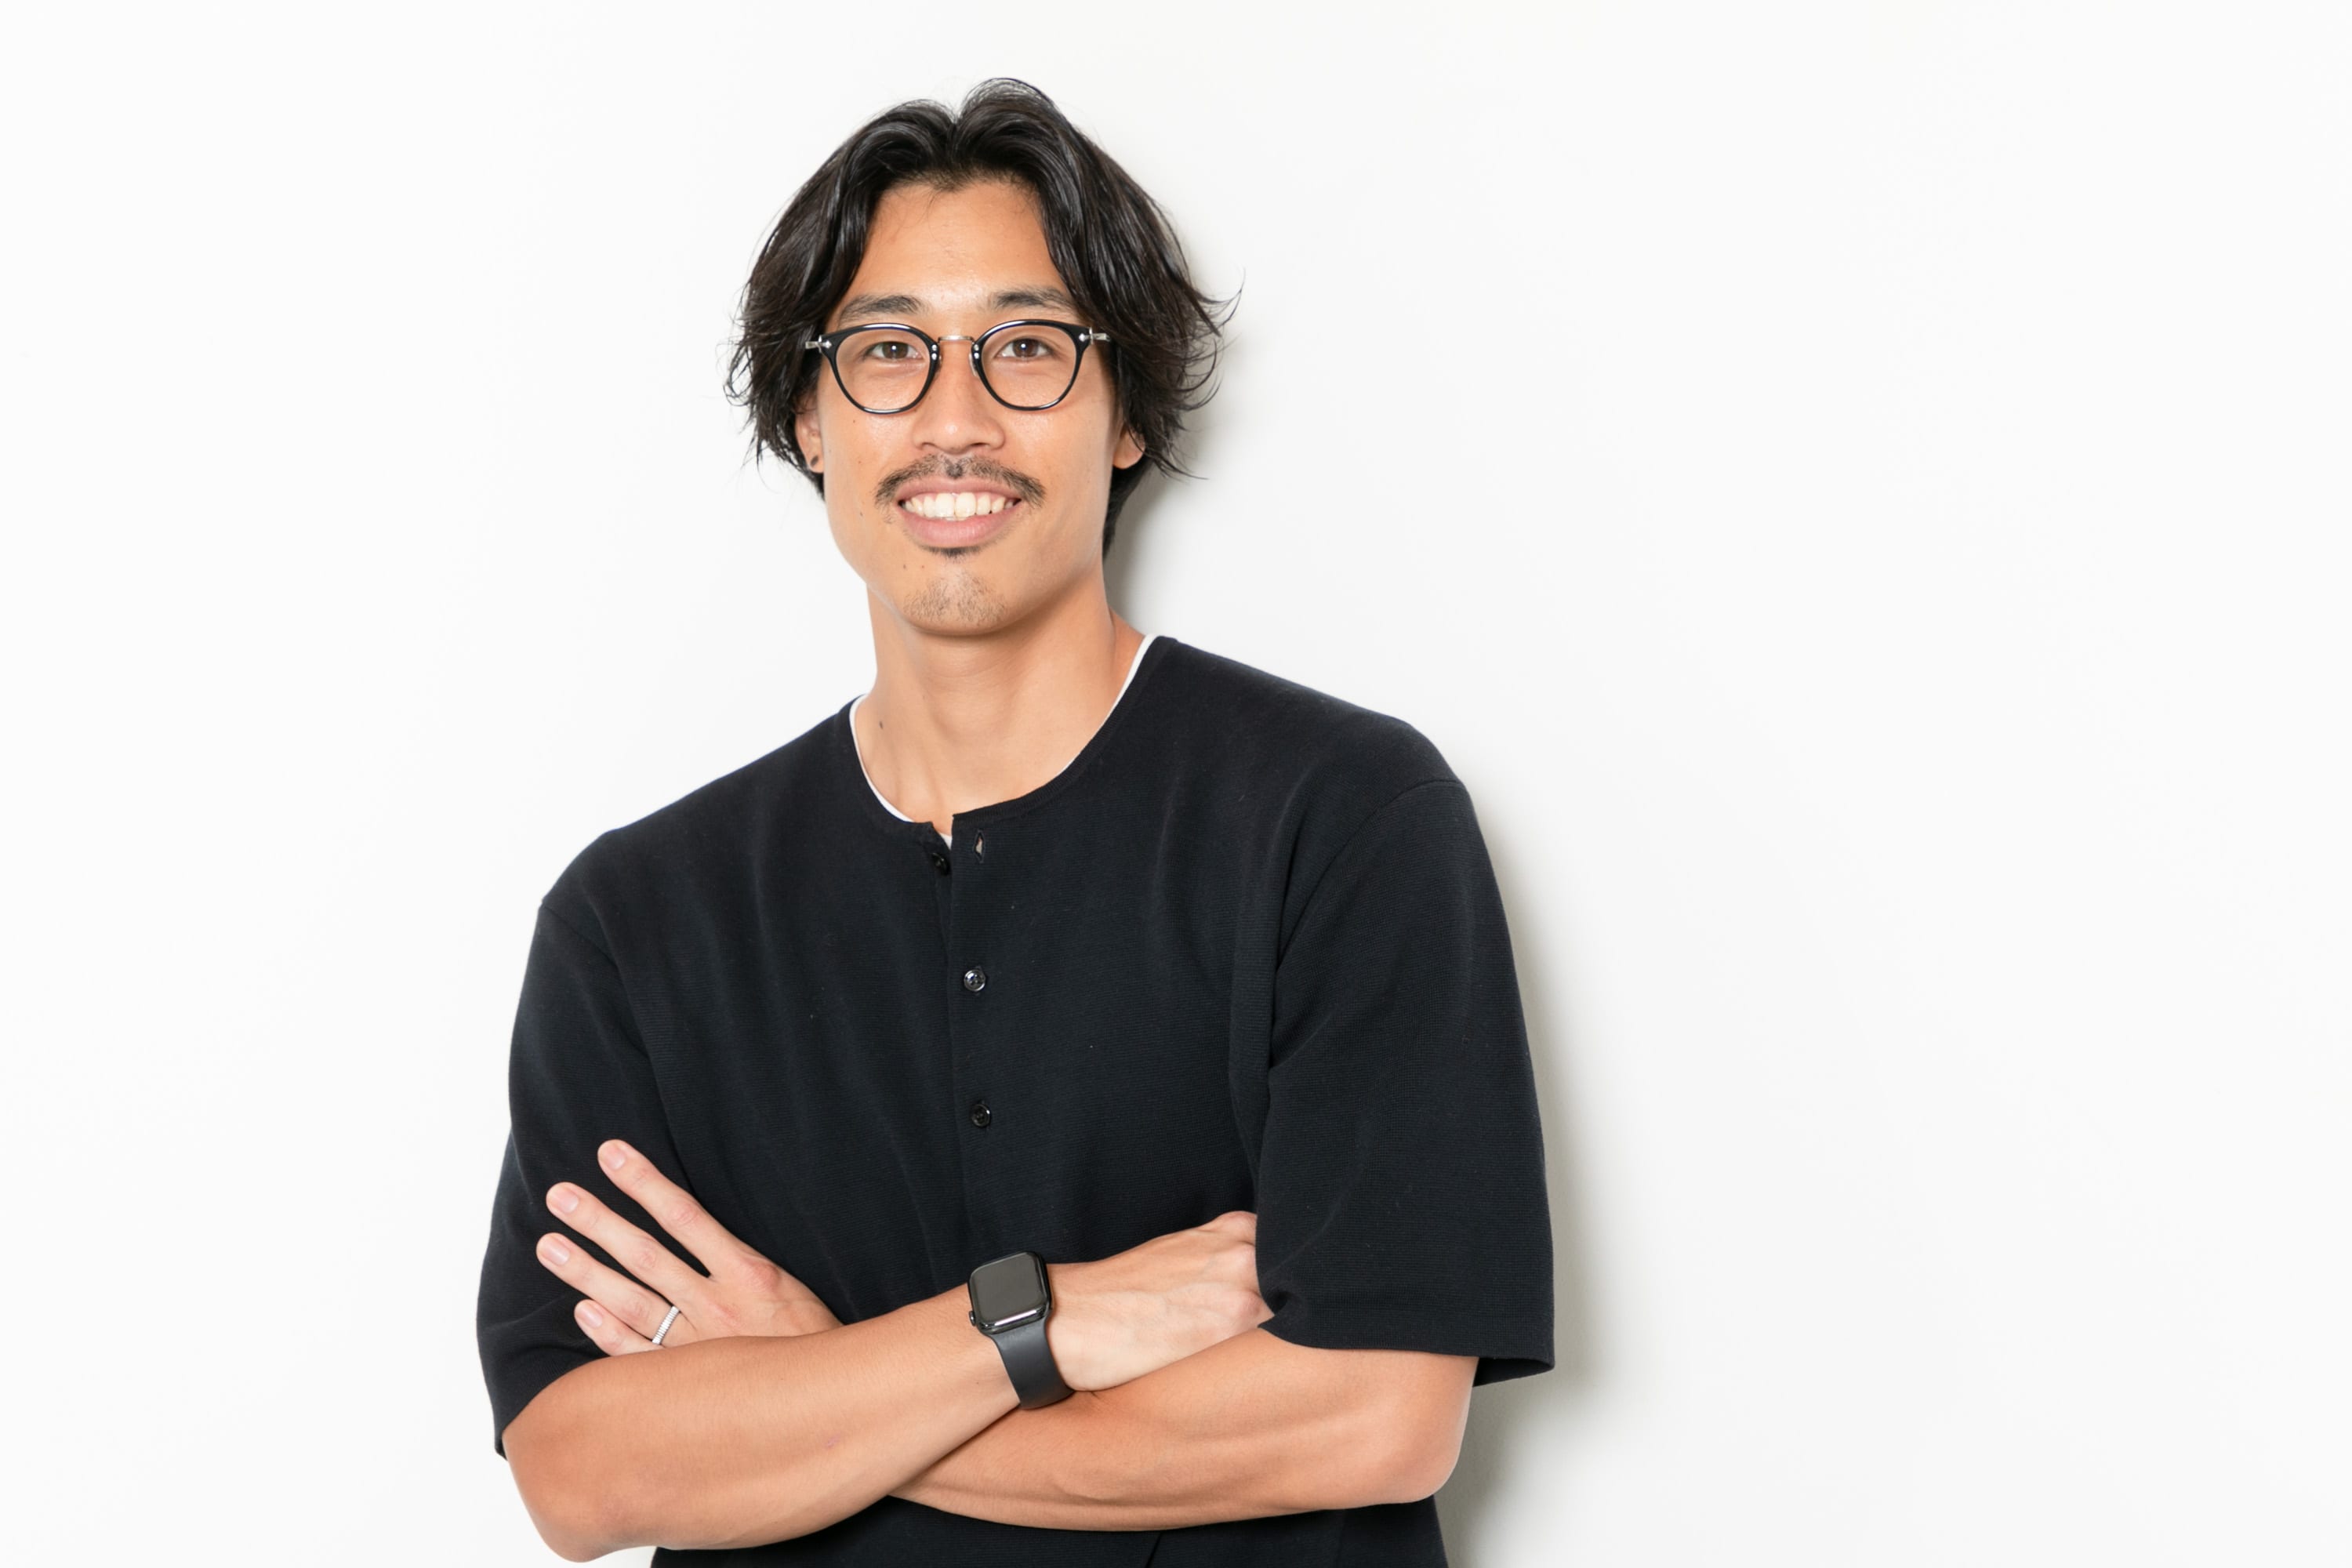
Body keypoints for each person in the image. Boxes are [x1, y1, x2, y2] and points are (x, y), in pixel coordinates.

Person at [474, 78, 1553, 1565]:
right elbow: (583, 1473)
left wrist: (808, 1388)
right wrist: (1039, 1322)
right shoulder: (639, 920)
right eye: (887, 353)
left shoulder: (1344, 820)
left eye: (1029, 348)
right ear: (810, 418)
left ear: (1129, 413)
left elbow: (1372, 1417)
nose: (955, 420)